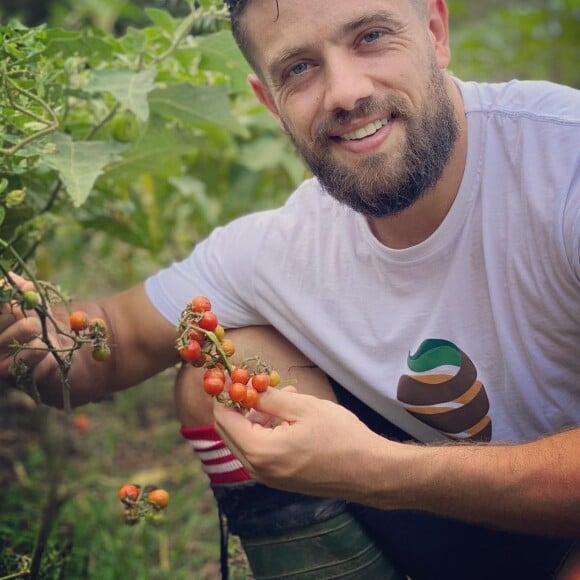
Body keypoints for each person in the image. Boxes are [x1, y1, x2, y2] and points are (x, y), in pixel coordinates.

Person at [1, 0, 578, 578]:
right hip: (453, 533)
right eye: (299, 69)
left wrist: (376, 468)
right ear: (270, 104)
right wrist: (31, 331)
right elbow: (111, 340)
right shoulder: (280, 248)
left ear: (435, 30)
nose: (346, 93)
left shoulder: (562, 164)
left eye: (372, 36)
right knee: (228, 372)